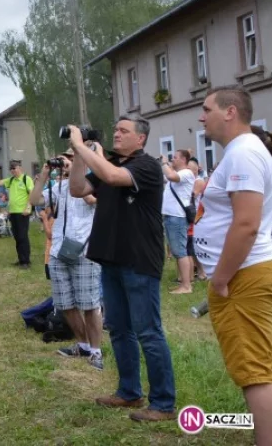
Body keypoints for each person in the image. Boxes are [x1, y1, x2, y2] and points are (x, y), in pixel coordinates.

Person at [68, 116, 177, 422]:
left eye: (123, 131)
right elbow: (78, 188)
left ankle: (164, 404)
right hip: (111, 258)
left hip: (139, 260)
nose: (116, 134)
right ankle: (129, 392)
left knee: (148, 331)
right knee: (118, 327)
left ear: (140, 139)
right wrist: (79, 154)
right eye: (114, 129)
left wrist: (81, 144)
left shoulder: (146, 166)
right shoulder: (110, 164)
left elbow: (115, 177)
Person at [196, 86, 272, 445]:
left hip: (243, 276)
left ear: (230, 112)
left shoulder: (243, 154)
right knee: (260, 363)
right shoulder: (242, 152)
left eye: (206, 108)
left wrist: (222, 279)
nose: (201, 116)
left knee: (255, 370)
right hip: (247, 272)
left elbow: (246, 224)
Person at [29, 154, 103, 369]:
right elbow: (34, 201)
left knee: (90, 304)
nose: (65, 163)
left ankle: (96, 351)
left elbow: (92, 200)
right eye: (63, 160)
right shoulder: (59, 187)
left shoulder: (93, 183)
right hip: (58, 250)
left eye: (70, 159)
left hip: (84, 249)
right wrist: (43, 175)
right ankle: (82, 344)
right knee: (65, 304)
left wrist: (76, 173)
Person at [161, 149, 196, 295]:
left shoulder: (186, 173)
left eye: (175, 157)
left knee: (180, 251)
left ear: (183, 160)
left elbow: (170, 175)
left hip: (177, 217)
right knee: (178, 251)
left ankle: (186, 286)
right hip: (171, 216)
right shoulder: (178, 175)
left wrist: (163, 162)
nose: (172, 160)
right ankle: (184, 282)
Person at [0, 161, 36, 269]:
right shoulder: (11, 180)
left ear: (20, 168)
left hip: (22, 212)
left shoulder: (26, 179)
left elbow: (31, 193)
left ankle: (26, 261)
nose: (13, 170)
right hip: (13, 212)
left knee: (23, 236)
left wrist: (28, 207)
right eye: (11, 169)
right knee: (17, 236)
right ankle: (21, 259)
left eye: (15, 168)